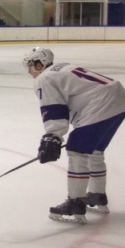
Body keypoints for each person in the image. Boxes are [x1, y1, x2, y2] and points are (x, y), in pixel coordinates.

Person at [23, 47, 125, 224]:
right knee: (94, 150)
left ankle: (75, 202)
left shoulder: (44, 78)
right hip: (119, 99)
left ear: (39, 63)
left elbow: (54, 109)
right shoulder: (63, 68)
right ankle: (97, 195)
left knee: (76, 149)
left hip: (101, 104)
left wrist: (52, 136)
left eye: (30, 67)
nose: (30, 72)